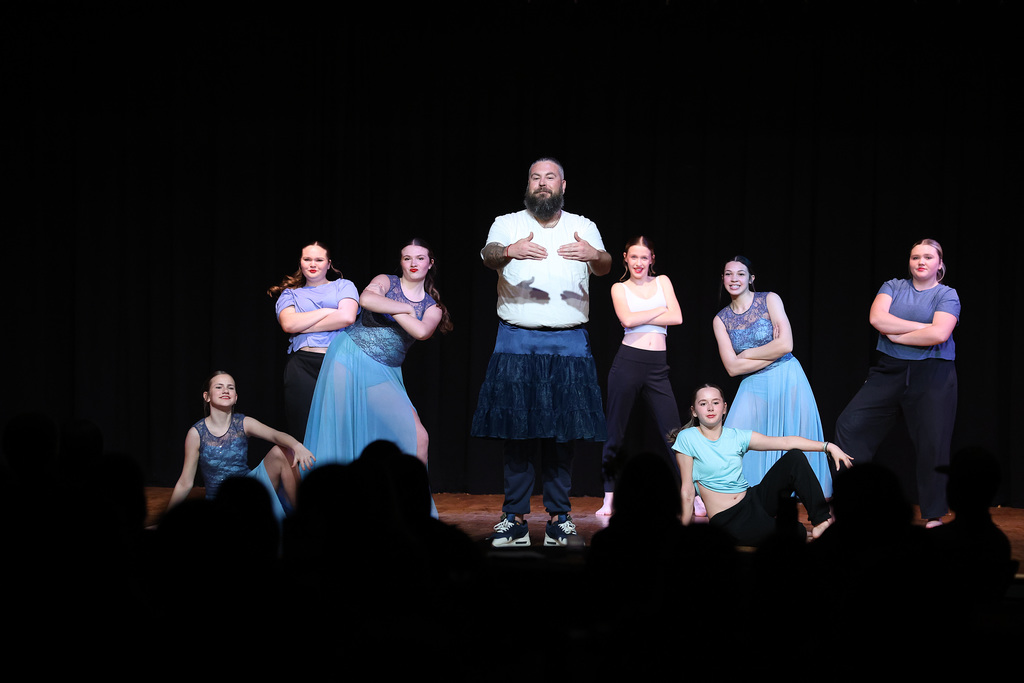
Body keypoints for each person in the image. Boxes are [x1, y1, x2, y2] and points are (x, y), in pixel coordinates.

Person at [472, 157, 611, 548]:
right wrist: (510, 250)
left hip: (568, 342)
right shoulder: (508, 222)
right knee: (516, 433)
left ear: (563, 185)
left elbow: (605, 265)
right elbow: (488, 255)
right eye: (536, 178)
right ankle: (513, 519)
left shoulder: (582, 226)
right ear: (528, 185)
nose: (543, 184)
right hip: (517, 339)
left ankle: (559, 519)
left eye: (550, 178)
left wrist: (593, 255)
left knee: (562, 436)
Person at [834, 238, 959, 527]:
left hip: (933, 373)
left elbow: (939, 335)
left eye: (928, 257)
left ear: (939, 263)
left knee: (933, 443)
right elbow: (877, 319)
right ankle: (851, 503)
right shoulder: (893, 286)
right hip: (889, 369)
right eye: (916, 257)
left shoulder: (947, 294)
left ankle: (933, 514)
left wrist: (898, 332)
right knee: (849, 425)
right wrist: (922, 327)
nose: (921, 262)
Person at [300, 237, 452, 473]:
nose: (413, 263)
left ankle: (412, 501)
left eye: (420, 258)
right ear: (400, 262)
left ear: (430, 263)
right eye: (407, 258)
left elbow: (421, 331)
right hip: (348, 354)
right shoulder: (386, 281)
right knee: (339, 429)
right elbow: (367, 299)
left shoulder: (432, 307)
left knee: (418, 437)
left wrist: (393, 307)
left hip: (384, 370)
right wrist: (404, 307)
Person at [670, 384, 852, 547]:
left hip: (752, 499)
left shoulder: (737, 436)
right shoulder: (688, 438)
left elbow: (786, 442)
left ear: (724, 408)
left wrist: (827, 446)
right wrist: (683, 534)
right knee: (797, 532)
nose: (710, 408)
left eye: (715, 402)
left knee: (794, 458)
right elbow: (687, 489)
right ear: (694, 411)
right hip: (730, 520)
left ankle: (822, 521)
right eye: (703, 404)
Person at [712, 255, 833, 497]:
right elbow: (732, 369)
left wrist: (746, 353)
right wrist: (770, 351)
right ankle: (743, 494)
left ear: (751, 278)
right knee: (737, 442)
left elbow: (786, 345)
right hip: (753, 384)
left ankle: (807, 494)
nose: (734, 279)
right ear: (723, 278)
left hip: (787, 375)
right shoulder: (720, 319)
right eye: (728, 273)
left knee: (791, 435)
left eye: (740, 274)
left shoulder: (769, 299)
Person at [596, 236, 683, 516]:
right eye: (633, 257)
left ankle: (690, 493)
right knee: (615, 432)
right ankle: (609, 496)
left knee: (675, 434)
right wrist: (660, 309)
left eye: (644, 257)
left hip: (658, 366)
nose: (638, 263)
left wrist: (645, 313)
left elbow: (678, 317)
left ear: (652, 260)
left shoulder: (663, 282)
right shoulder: (619, 288)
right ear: (625, 258)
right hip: (628, 363)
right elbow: (627, 321)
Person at [166, 371, 316, 512]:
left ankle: (302, 517)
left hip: (248, 491)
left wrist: (297, 446)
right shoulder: (196, 433)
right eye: (219, 387)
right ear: (207, 396)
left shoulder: (243, 423)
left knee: (281, 451)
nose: (225, 390)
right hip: (220, 500)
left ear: (235, 397)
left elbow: (276, 435)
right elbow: (185, 483)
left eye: (230, 387)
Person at [267, 241, 360, 441]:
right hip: (301, 365)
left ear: (329, 264)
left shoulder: (343, 286)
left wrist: (304, 325)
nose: (312, 264)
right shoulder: (290, 293)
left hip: (338, 363)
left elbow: (346, 317)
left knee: (339, 430)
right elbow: (289, 325)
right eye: (307, 259)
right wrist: (327, 311)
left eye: (319, 260)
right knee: (304, 430)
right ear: (300, 263)